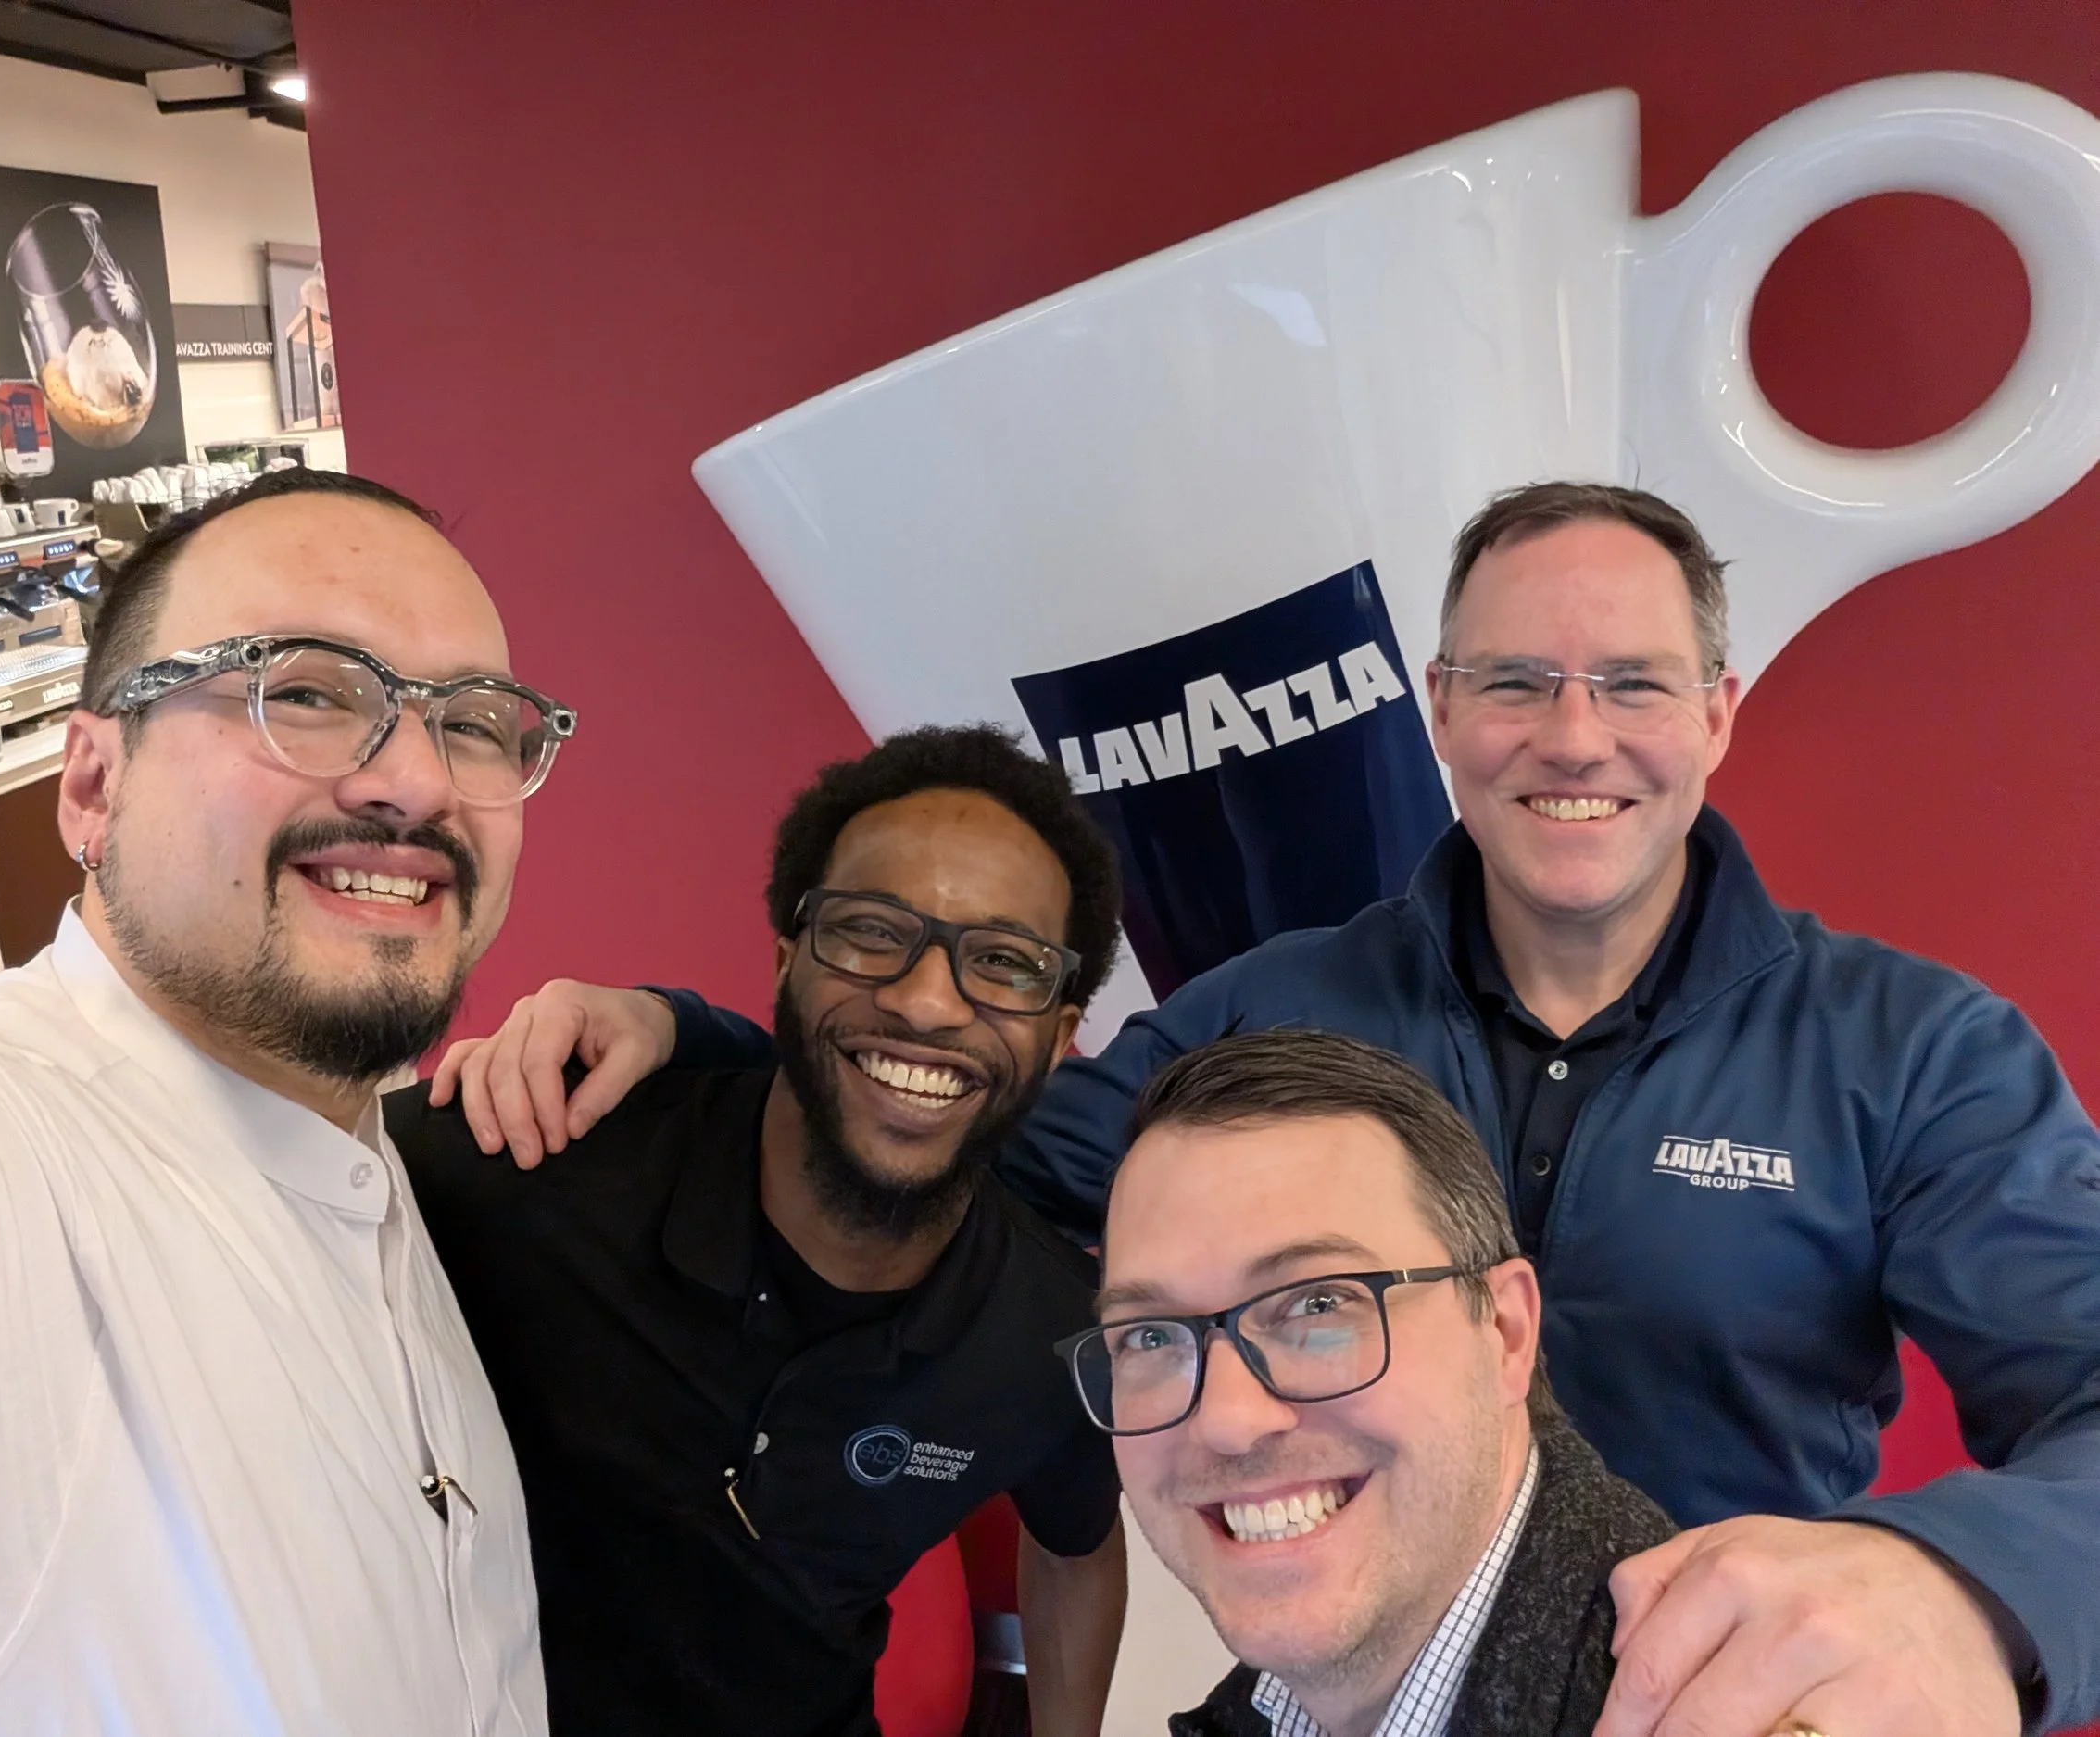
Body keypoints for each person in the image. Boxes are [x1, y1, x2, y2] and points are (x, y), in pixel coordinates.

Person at [436, 481, 2100, 1736]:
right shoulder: (1278, 1005)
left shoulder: (1914, 1051)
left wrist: (1966, 1584)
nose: (1573, 735)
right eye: (1516, 682)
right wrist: (702, 1040)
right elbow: (963, 1127)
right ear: (1439, 711)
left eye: (1636, 684)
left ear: (1719, 715)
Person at [0, 468, 574, 1733]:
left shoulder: (369, 1143)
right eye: (306, 690)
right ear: (93, 785)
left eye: (476, 721)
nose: (418, 781)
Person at [390, 725, 1130, 1736]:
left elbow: (1080, 1547)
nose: (924, 1001)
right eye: (872, 932)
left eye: (1004, 962)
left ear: (1060, 1036)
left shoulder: (1049, 1332)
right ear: (787, 962)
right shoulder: (526, 1161)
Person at [1077, 1027, 1673, 1737]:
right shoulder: (1271, 1709)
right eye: (1150, 1335)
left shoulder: (1727, 1701)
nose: (1227, 1420)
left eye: (1319, 1303)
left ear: (1507, 1330)